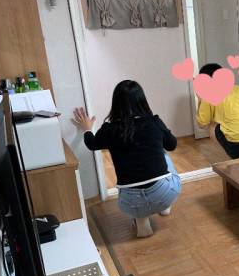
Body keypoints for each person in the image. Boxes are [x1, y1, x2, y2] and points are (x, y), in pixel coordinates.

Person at [72, 80, 181, 238]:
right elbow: (172, 145)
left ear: (116, 104)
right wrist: (161, 130)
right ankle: (164, 207)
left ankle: (142, 223)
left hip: (131, 202)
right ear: (142, 101)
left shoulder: (109, 129)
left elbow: (92, 144)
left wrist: (87, 129)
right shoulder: (153, 122)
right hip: (164, 194)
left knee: (136, 189)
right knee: (164, 155)